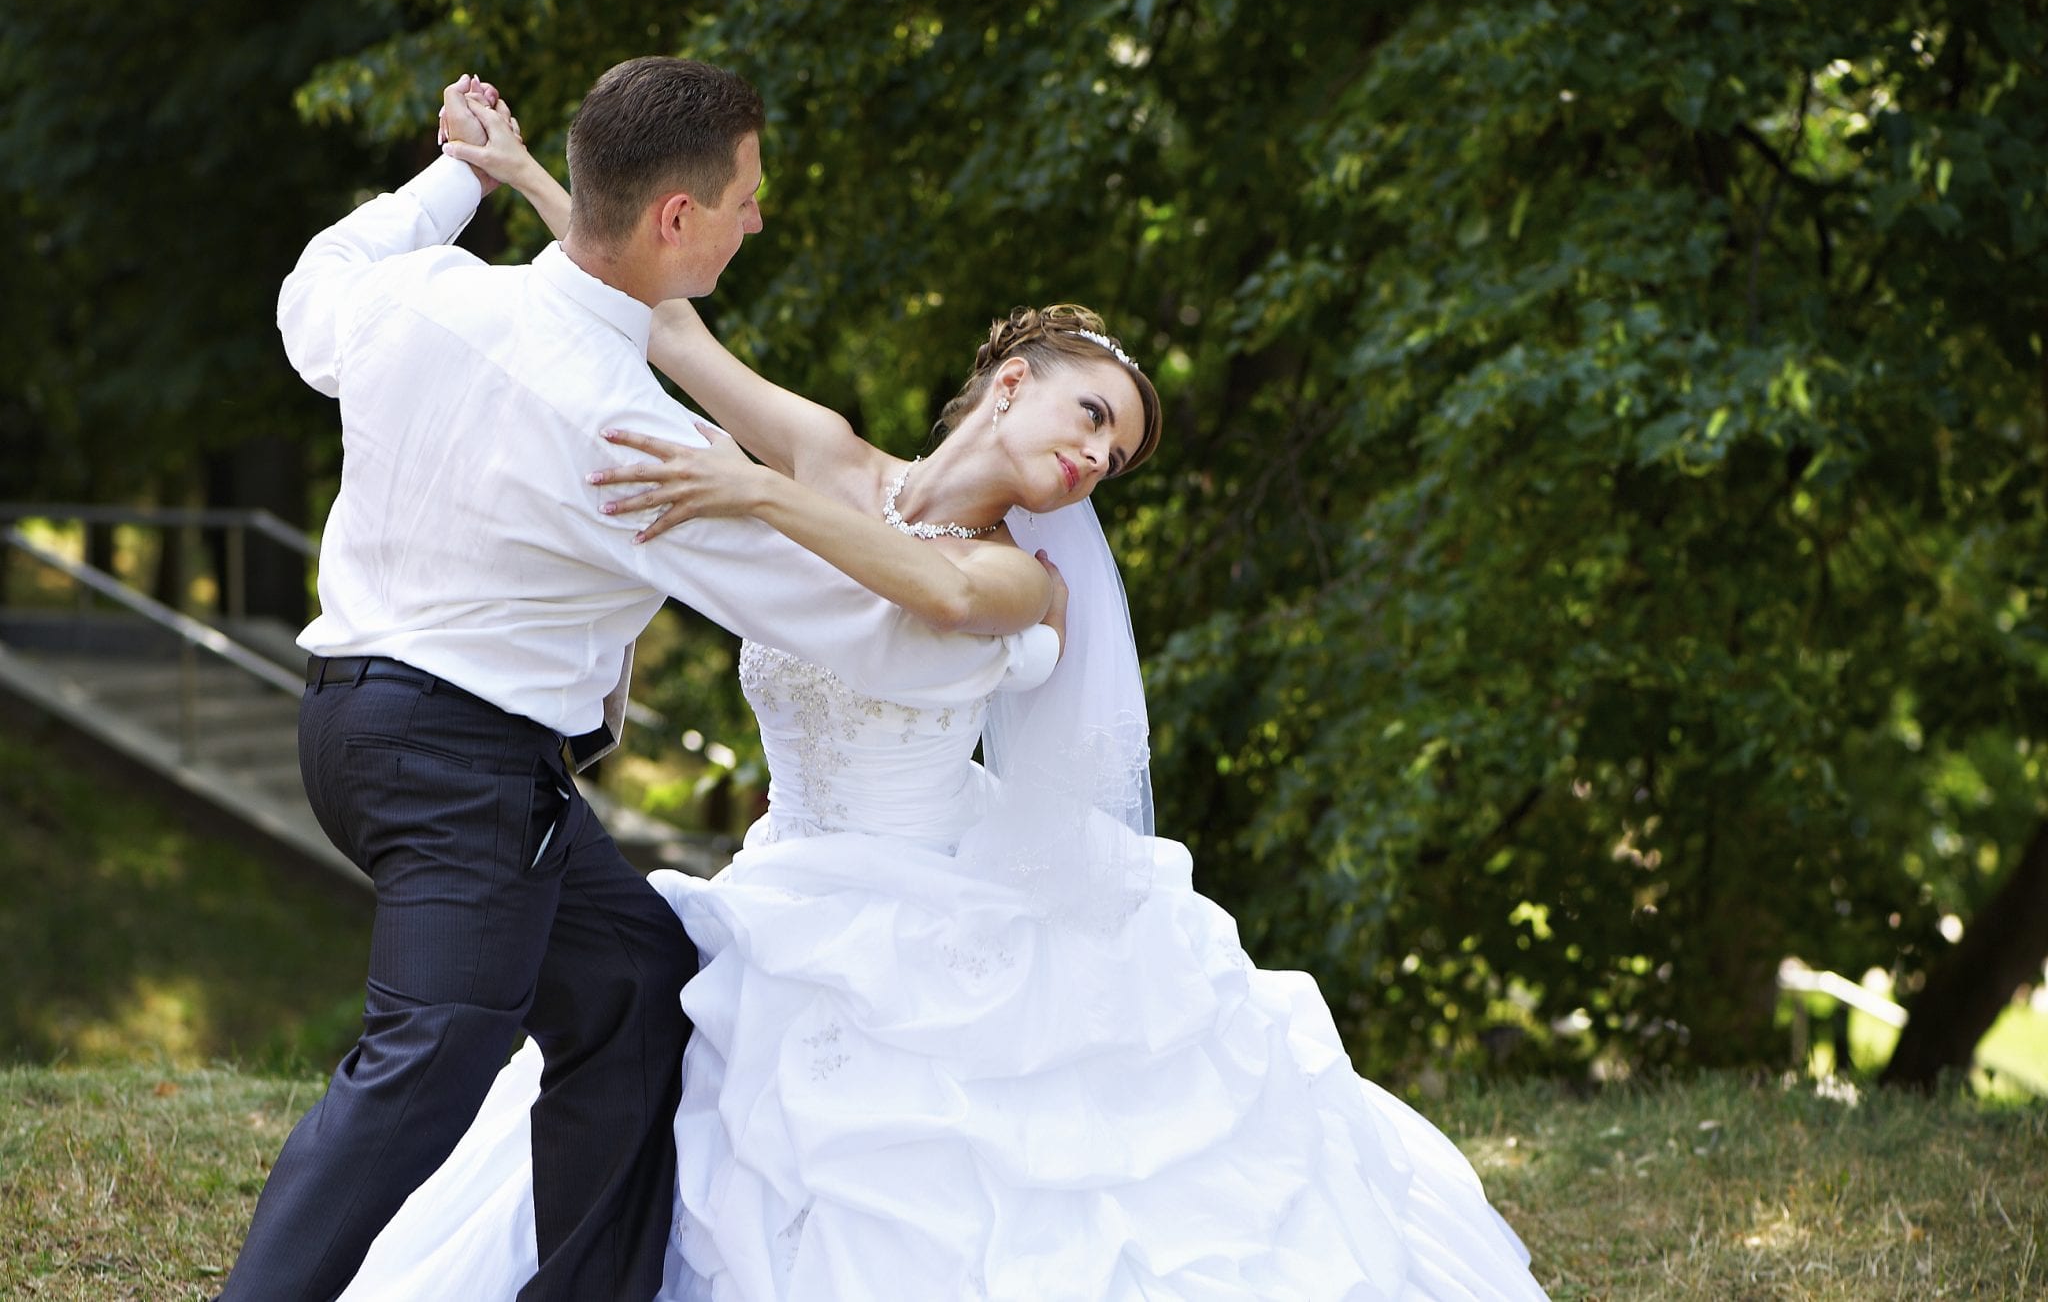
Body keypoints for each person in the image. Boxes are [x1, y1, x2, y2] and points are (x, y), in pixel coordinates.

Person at [334, 91, 1549, 1300]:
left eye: (1112, 459)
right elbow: (662, 321)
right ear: (1011, 382)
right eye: (1091, 416)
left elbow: (928, 589)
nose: (1093, 459)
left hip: (933, 902)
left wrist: (755, 494)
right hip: (789, 880)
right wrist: (535, 175)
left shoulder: (1018, 578)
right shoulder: (833, 455)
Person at [223, 61, 1056, 1302]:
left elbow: (312, 291)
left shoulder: (427, 295)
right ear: (676, 218)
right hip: (455, 768)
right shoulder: (636, 438)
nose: (757, 219)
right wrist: (1017, 618)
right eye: (746, 199)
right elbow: (856, 632)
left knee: (632, 989)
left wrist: (457, 177)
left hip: (358, 727)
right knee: (431, 1058)